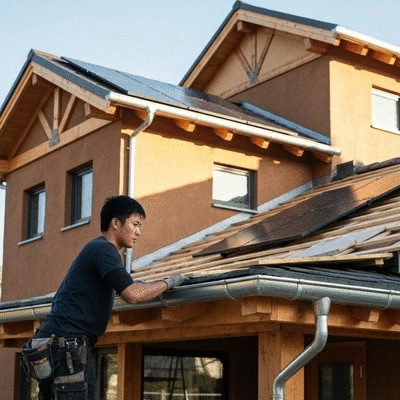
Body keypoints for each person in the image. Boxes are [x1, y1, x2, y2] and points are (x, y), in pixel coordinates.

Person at [22, 196, 188, 399]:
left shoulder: (97, 250)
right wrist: (169, 283)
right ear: (116, 223)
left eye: (140, 226)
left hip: (52, 344)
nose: (138, 232)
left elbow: (128, 286)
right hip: (67, 346)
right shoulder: (104, 249)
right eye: (135, 224)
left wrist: (145, 286)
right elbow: (132, 294)